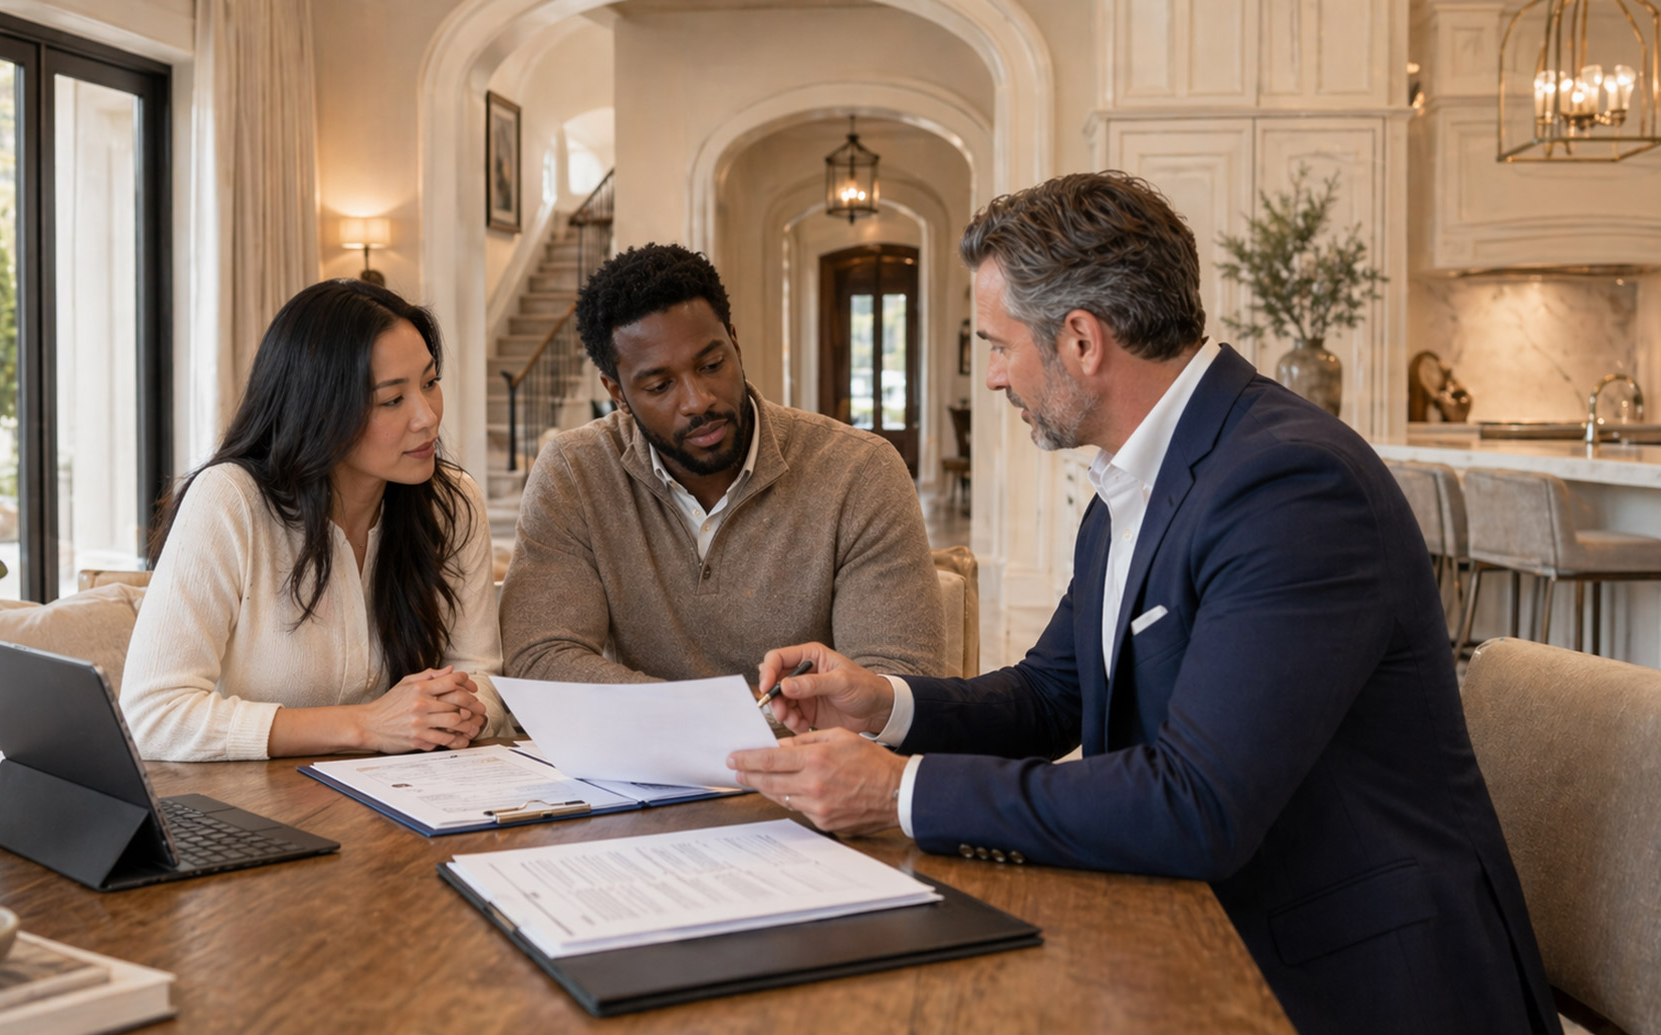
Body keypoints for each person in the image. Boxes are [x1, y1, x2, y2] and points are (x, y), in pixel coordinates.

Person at [728, 173, 1560, 1035]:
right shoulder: (1135, 481)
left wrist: (899, 792)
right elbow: (1053, 693)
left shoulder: (1292, 487)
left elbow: (1196, 804)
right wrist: (886, 703)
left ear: (1082, 340)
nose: (996, 377)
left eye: (999, 344)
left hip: (1351, 978)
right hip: (1199, 929)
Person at [499, 243, 942, 686]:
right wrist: (712, 720)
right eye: (659, 386)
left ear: (735, 343)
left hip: (809, 754)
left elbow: (898, 682)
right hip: (646, 753)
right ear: (617, 394)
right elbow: (541, 658)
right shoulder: (575, 473)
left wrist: (710, 723)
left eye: (712, 365)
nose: (697, 401)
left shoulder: (859, 471)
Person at [121, 279, 509, 761]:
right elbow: (153, 716)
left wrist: (461, 710)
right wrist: (367, 725)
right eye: (392, 400)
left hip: (408, 804)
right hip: (257, 813)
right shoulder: (231, 500)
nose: (427, 417)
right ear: (320, 410)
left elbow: (483, 677)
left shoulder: (452, 504)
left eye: (430, 383)